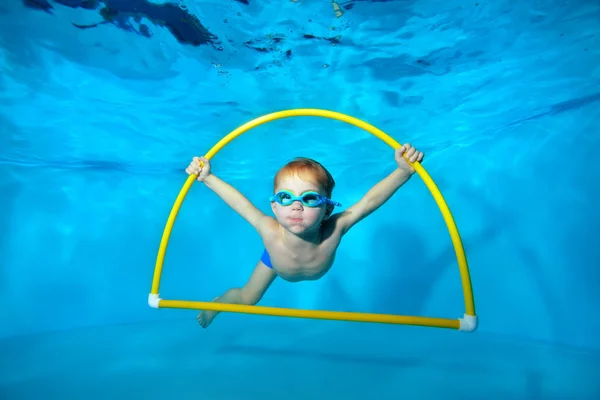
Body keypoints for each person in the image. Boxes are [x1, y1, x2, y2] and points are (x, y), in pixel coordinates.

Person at [185, 143, 424, 328]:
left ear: (327, 209)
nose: (296, 206)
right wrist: (207, 177)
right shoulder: (269, 230)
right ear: (274, 207)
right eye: (286, 198)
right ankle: (217, 305)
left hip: (292, 260)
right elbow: (241, 205)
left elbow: (368, 202)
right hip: (275, 258)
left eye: (309, 198)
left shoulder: (336, 228)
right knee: (248, 298)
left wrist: (403, 172)